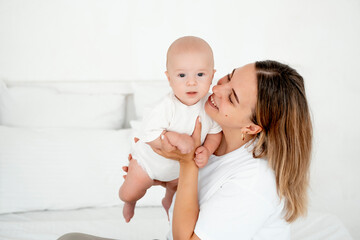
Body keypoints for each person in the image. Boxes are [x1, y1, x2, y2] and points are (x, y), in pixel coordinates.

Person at [58, 60, 312, 240]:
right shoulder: (215, 136)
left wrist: (186, 163)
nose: (216, 88)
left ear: (253, 127)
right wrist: (161, 175)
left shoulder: (255, 183)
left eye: (232, 97)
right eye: (228, 77)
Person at [119, 36, 222, 223]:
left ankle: (167, 201)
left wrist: (207, 150)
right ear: (169, 78)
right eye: (182, 75)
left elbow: (216, 133)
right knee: (130, 191)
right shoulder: (166, 107)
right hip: (148, 164)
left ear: (212, 75)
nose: (191, 82)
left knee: (177, 193)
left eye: (200, 74)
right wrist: (172, 139)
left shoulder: (210, 106)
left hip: (180, 170)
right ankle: (130, 202)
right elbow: (148, 134)